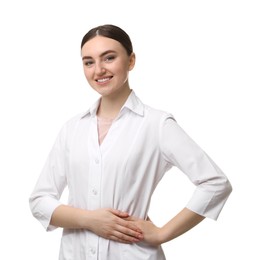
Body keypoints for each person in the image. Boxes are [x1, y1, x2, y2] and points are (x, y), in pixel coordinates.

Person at [29, 24, 232, 260]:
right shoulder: (72, 129)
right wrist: (90, 220)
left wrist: (161, 234)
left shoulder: (157, 124)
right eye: (89, 62)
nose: (99, 70)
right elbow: (39, 200)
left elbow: (215, 183)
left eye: (109, 58)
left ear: (131, 60)